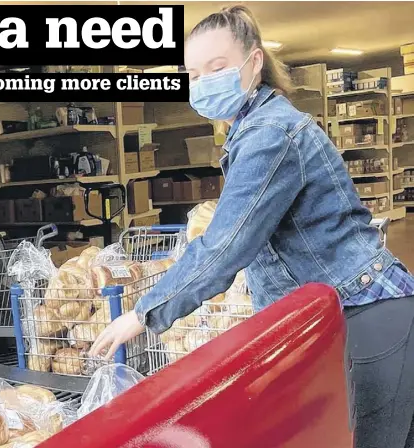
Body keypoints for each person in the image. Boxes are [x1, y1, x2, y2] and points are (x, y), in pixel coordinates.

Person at [89, 6, 414, 448]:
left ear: (254, 62)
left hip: (365, 310)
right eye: (194, 73)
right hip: (349, 309)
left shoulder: (269, 134)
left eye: (217, 68)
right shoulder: (254, 128)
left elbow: (227, 245)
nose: (204, 82)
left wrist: (144, 313)